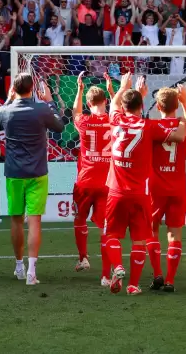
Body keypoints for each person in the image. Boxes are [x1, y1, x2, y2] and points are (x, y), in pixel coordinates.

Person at [104, 73, 186, 295]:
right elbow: (178, 137)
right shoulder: (149, 126)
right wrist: (183, 116)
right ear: (142, 105)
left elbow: (113, 104)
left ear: (123, 107)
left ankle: (118, 267)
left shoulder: (115, 120)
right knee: (139, 240)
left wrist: (123, 87)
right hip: (140, 192)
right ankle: (133, 285)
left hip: (116, 191)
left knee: (112, 236)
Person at [0, 73, 65, 286]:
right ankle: (32, 271)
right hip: (37, 173)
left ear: (13, 89)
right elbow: (60, 127)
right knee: (34, 221)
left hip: (14, 173)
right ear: (32, 88)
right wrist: (50, 101)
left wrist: (7, 99)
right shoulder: (41, 109)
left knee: (16, 220)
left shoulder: (6, 110)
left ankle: (19, 266)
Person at [147, 84, 186, 293]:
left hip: (155, 188)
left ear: (158, 106)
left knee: (152, 230)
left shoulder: (151, 127)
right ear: (177, 104)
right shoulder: (185, 126)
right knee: (174, 234)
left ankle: (157, 273)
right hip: (177, 188)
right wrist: (185, 103)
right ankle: (170, 280)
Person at [71, 73, 114, 286]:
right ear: (105, 101)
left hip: (85, 181)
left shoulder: (84, 121)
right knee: (105, 227)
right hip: (107, 182)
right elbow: (121, 111)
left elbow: (75, 112)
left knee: (79, 218)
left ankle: (84, 258)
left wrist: (79, 88)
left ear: (89, 103)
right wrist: (114, 90)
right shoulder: (113, 120)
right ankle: (106, 274)